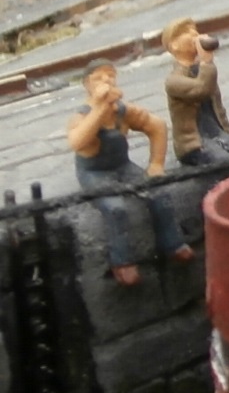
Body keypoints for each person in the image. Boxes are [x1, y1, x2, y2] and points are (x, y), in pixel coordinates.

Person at [68, 60, 193, 286]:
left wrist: (156, 164)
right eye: (98, 78)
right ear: (87, 84)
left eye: (110, 75)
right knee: (115, 208)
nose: (106, 81)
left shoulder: (123, 111)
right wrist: (100, 108)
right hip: (95, 172)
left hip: (123, 166)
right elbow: (77, 142)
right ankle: (122, 262)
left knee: (158, 193)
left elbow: (156, 126)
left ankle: (173, 244)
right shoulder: (82, 116)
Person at [162, 18, 229, 169]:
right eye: (186, 32)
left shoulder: (203, 70)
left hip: (217, 135)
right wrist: (207, 61)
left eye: (195, 30)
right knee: (223, 161)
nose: (195, 34)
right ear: (174, 45)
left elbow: (219, 108)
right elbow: (202, 89)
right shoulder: (173, 80)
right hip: (194, 144)